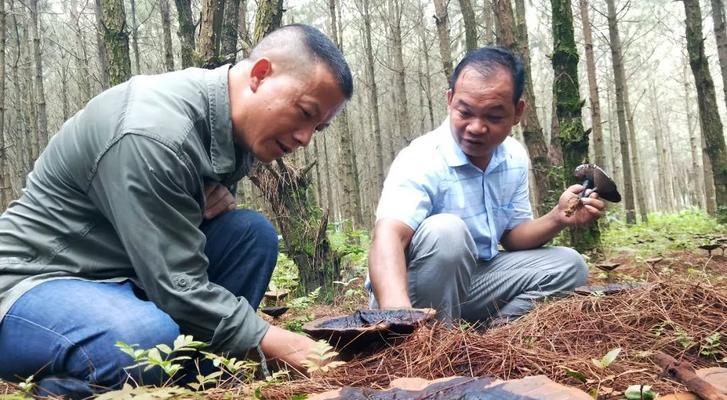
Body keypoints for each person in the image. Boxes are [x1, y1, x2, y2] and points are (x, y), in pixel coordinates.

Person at [0, 24, 351, 397]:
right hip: (33, 285)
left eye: (320, 128)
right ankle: (79, 387)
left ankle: (192, 376)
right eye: (305, 112)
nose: (304, 138)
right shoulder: (153, 132)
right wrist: (285, 344)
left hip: (124, 276)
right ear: (260, 74)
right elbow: (177, 285)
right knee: (146, 341)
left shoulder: (231, 128)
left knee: (251, 234)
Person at [367, 47, 604, 325]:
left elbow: (512, 236)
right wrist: (396, 314)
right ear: (450, 100)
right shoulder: (422, 158)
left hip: (475, 281)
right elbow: (388, 238)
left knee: (569, 266)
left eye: (493, 117)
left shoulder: (513, 157)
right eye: (465, 112)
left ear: (517, 112)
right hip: (411, 291)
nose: (476, 128)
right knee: (447, 232)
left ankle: (490, 339)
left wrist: (557, 217)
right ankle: (427, 343)